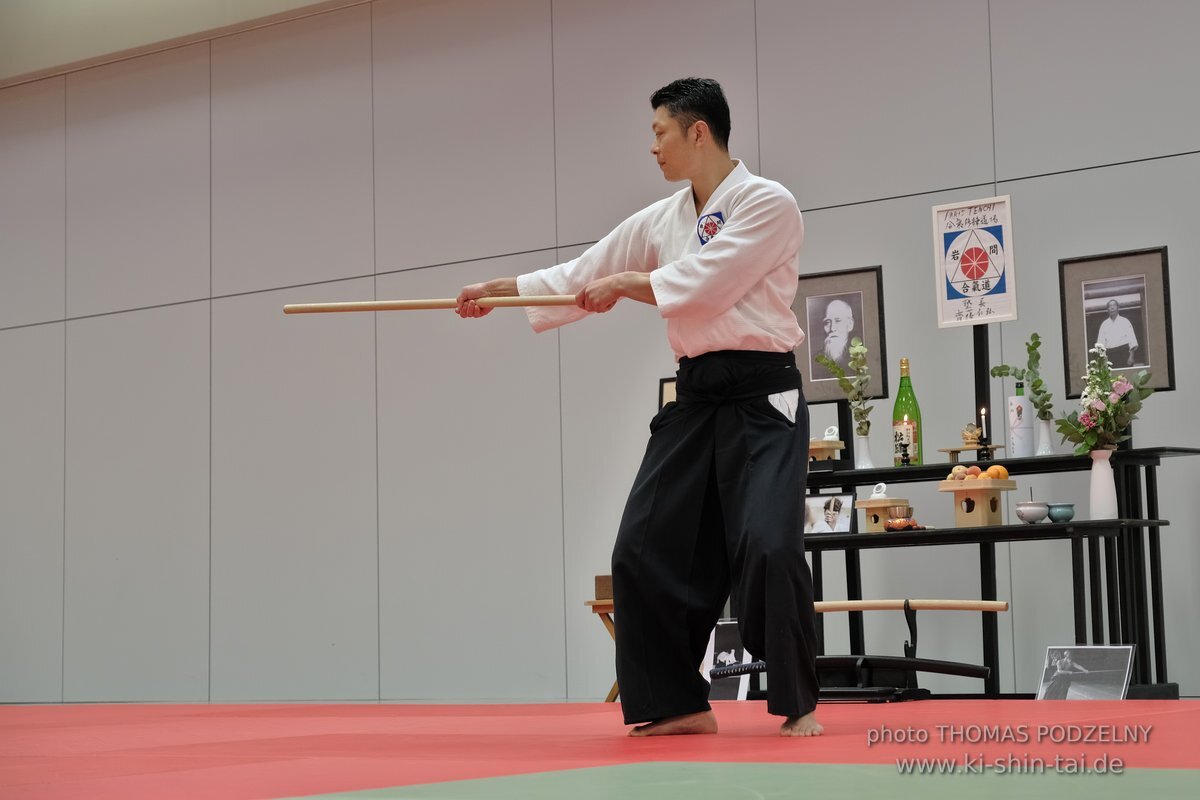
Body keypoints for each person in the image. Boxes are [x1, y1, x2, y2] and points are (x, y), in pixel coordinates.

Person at [456, 78, 822, 738]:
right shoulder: (664, 218)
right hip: (695, 396)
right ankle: (679, 703)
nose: (651, 146)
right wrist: (497, 292)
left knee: (768, 547)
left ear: (697, 132)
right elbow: (582, 272)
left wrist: (630, 284)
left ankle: (798, 702)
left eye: (659, 132)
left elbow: (711, 285)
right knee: (641, 548)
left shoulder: (770, 204)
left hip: (764, 398)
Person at [1095, 299, 1140, 367]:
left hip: (1124, 353)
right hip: (1110, 355)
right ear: (1108, 309)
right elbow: (1100, 344)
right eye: (1110, 306)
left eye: (1114, 305)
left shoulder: (1125, 321)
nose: (1112, 307)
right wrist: (1104, 359)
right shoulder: (1104, 324)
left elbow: (1132, 340)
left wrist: (1131, 357)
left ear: (1118, 308)